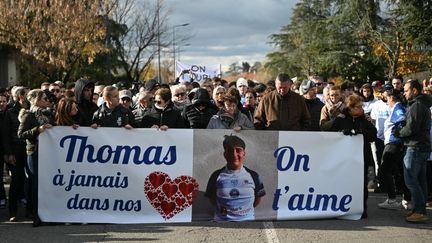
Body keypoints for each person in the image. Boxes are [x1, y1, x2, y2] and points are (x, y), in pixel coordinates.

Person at [322, 94, 377, 219]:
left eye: (362, 106)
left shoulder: (365, 119)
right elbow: (325, 130)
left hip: (361, 157)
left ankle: (362, 208)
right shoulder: (342, 118)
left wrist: (359, 132)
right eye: (358, 107)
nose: (361, 109)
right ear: (350, 108)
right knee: (343, 182)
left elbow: (373, 135)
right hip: (343, 158)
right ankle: (341, 207)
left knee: (361, 184)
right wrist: (336, 122)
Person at [395, 80, 431, 222]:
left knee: (411, 180)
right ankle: (419, 210)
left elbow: (411, 128)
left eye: (406, 90)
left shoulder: (417, 106)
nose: (404, 92)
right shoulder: (421, 105)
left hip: (415, 147)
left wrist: (399, 132)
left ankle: (420, 211)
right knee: (420, 180)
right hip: (420, 146)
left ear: (415, 91)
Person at [205, 135, 265, 221]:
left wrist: (242, 213)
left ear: (244, 153)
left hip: (248, 224)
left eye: (238, 150)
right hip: (221, 225)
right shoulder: (216, 175)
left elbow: (257, 199)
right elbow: (212, 199)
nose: (234, 154)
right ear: (225, 154)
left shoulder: (254, 176)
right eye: (230, 151)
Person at [17, 89, 55, 227]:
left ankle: (48, 213)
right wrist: (37, 130)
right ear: (36, 100)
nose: (47, 101)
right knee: (36, 184)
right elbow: (21, 134)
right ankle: (36, 213)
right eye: (44, 98)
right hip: (35, 153)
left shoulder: (48, 114)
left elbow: (56, 130)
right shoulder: (29, 116)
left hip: (48, 153)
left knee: (47, 183)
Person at [377, 89, 410, 210]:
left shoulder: (397, 108)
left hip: (393, 144)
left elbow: (401, 120)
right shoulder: (398, 107)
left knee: (385, 170)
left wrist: (398, 133)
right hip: (395, 143)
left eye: (386, 98)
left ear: (391, 98)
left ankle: (392, 199)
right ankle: (407, 198)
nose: (386, 101)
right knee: (399, 171)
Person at [2, 87, 30, 222]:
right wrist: (9, 153)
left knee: (31, 180)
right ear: (21, 97)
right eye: (27, 94)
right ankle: (13, 211)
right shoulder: (11, 112)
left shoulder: (33, 110)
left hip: (30, 149)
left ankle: (30, 210)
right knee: (17, 179)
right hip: (16, 150)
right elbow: (6, 135)